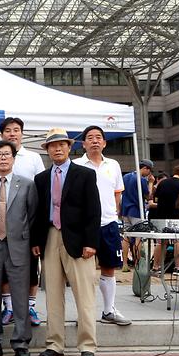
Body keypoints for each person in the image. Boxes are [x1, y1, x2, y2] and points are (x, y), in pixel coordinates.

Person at [32, 128, 101, 356]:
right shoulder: (41, 178)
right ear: (47, 150)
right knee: (52, 293)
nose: (57, 148)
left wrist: (91, 242)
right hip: (50, 236)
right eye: (52, 145)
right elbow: (38, 213)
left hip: (79, 240)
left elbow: (94, 211)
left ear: (70, 147)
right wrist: (36, 241)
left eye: (61, 144)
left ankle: (87, 345)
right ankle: (54, 342)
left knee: (84, 294)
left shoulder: (85, 174)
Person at [0, 140, 38, 356]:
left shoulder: (26, 184)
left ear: (14, 159)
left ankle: (21, 342)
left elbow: (31, 215)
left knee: (20, 296)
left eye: (7, 154)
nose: (3, 158)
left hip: (18, 246)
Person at [73, 126, 131, 326]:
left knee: (109, 268)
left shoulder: (113, 164)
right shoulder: (75, 165)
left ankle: (109, 310)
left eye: (99, 137)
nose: (95, 141)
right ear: (84, 144)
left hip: (108, 224)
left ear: (105, 143)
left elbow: (117, 193)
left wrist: (114, 215)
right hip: (83, 226)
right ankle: (85, 314)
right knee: (83, 272)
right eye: (90, 138)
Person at [0, 117, 46, 327]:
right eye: (8, 130)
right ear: (2, 135)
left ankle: (30, 306)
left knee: (30, 267)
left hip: (27, 223)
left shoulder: (33, 158)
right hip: (1, 225)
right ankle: (9, 307)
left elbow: (41, 189)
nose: (12, 134)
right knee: (3, 268)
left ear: (22, 133)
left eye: (16, 130)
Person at [150, 165, 179, 272]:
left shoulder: (163, 183)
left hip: (161, 214)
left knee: (161, 242)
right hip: (176, 215)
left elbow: (155, 197)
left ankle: (156, 266)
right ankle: (178, 267)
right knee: (177, 241)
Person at [120, 159, 155, 271]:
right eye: (149, 171)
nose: (149, 174)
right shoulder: (141, 179)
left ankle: (125, 263)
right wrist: (150, 183)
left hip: (125, 210)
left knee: (126, 237)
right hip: (136, 210)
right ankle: (138, 263)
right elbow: (148, 197)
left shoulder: (125, 177)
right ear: (145, 168)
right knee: (138, 237)